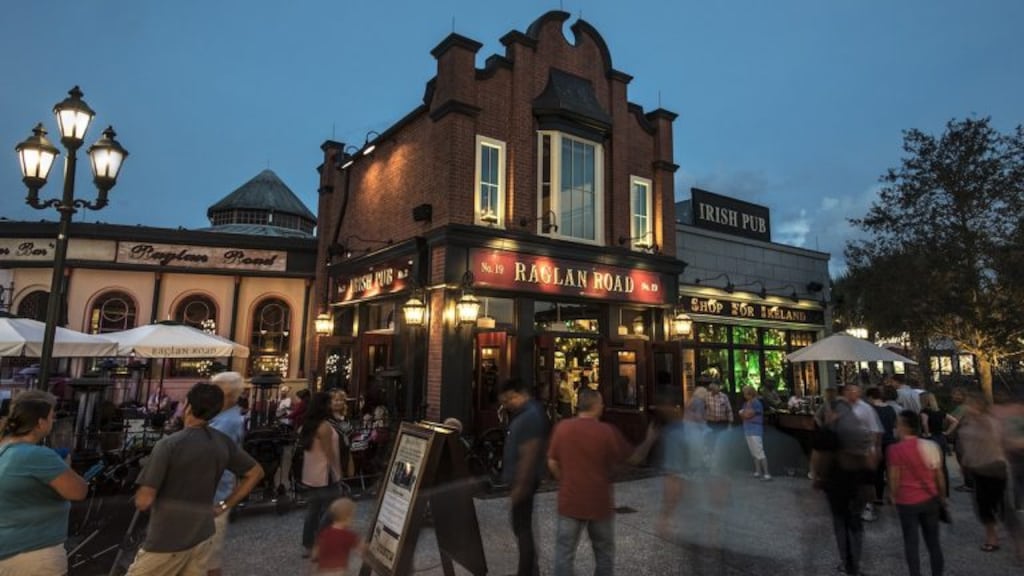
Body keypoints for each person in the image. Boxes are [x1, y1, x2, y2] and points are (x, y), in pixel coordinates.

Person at [126, 383, 263, 576]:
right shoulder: (221, 441)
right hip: (202, 535)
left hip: (167, 539)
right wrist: (225, 505)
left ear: (188, 406)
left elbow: (144, 500)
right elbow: (255, 472)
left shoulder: (168, 445)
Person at [547, 388, 653, 576]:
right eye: (601, 403)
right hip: (599, 503)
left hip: (569, 501)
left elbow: (552, 462)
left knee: (564, 554)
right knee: (603, 554)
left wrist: (564, 480)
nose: (603, 406)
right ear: (595, 406)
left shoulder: (562, 428)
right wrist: (650, 439)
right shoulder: (606, 431)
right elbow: (634, 458)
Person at [0, 390, 88, 576]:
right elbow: (78, 491)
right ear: (40, 423)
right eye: (51, 417)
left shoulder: (4, 450)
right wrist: (66, 467)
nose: (53, 422)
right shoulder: (37, 455)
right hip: (35, 555)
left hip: (7, 549)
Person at [825, 383, 877, 575]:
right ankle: (853, 561)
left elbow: (821, 455)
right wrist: (870, 480)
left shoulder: (833, 430)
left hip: (839, 480)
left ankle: (847, 561)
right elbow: (868, 453)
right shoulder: (856, 429)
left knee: (842, 522)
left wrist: (819, 478)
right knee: (854, 521)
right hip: (856, 478)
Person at [499, 378, 548, 576]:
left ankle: (527, 572)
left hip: (525, 482)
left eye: (509, 399)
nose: (507, 404)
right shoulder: (524, 414)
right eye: (504, 401)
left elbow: (529, 453)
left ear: (520, 394)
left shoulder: (530, 416)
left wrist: (520, 485)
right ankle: (530, 570)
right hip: (522, 481)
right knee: (521, 527)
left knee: (523, 529)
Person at [888, 410, 945, 576]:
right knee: (933, 543)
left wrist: (892, 495)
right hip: (930, 499)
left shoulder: (895, 449)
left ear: (904, 427)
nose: (895, 427)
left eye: (898, 424)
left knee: (911, 544)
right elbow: (939, 475)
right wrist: (942, 496)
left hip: (907, 502)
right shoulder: (931, 446)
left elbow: (894, 477)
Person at [957, 390, 1009, 552]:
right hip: (977, 469)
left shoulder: (989, 422)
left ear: (978, 405)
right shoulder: (968, 422)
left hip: (994, 467)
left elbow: (998, 439)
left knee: (1000, 506)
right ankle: (992, 538)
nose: (966, 407)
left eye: (969, 404)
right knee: (983, 506)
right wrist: (964, 464)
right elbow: (967, 444)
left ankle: (1015, 538)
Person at [207, 372, 246, 576]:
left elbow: (212, 455)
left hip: (215, 495)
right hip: (214, 493)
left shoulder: (228, 422)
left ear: (228, 393)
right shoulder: (219, 417)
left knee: (208, 558)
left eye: (216, 387)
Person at [300, 392, 343, 559]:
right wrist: (338, 471)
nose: (333, 404)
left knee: (313, 510)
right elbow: (329, 452)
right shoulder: (324, 426)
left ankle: (308, 545)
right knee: (330, 511)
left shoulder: (309, 424)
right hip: (325, 474)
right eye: (330, 402)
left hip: (311, 474)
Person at [919, 391, 956, 498]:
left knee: (930, 465)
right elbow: (954, 421)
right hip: (941, 437)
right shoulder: (940, 411)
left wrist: (926, 433)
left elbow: (925, 423)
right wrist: (947, 432)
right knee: (942, 465)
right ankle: (945, 491)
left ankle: (932, 490)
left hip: (931, 438)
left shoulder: (924, 411)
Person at [313, 497, 363, 575]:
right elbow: (361, 548)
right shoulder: (348, 535)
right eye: (352, 517)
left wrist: (314, 561)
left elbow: (316, 550)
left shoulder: (325, 532)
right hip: (338, 571)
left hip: (323, 571)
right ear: (347, 518)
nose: (353, 520)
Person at [866, 386, 898, 505]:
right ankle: (892, 495)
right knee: (890, 470)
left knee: (877, 471)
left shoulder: (871, 410)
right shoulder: (890, 409)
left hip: (877, 443)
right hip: (890, 442)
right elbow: (894, 428)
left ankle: (878, 497)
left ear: (870, 397)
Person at [740, 385, 770, 480]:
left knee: (759, 451)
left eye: (745, 393)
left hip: (755, 429)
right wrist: (744, 414)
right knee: (753, 452)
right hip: (747, 428)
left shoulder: (756, 403)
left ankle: (766, 473)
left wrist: (744, 414)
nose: (744, 395)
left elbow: (748, 415)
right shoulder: (745, 404)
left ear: (750, 394)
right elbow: (743, 415)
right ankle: (758, 471)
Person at [327, 389, 355, 479]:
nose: (339, 402)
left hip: (346, 452)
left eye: (341, 400)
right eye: (335, 400)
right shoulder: (327, 419)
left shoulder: (346, 418)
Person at [704, 382, 733, 455]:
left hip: (722, 423)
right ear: (711, 389)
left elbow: (729, 410)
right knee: (711, 442)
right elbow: (702, 408)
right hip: (711, 423)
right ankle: (711, 458)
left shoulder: (724, 396)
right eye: (714, 389)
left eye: (718, 388)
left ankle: (722, 457)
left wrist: (730, 424)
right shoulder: (706, 396)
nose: (717, 390)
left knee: (722, 442)